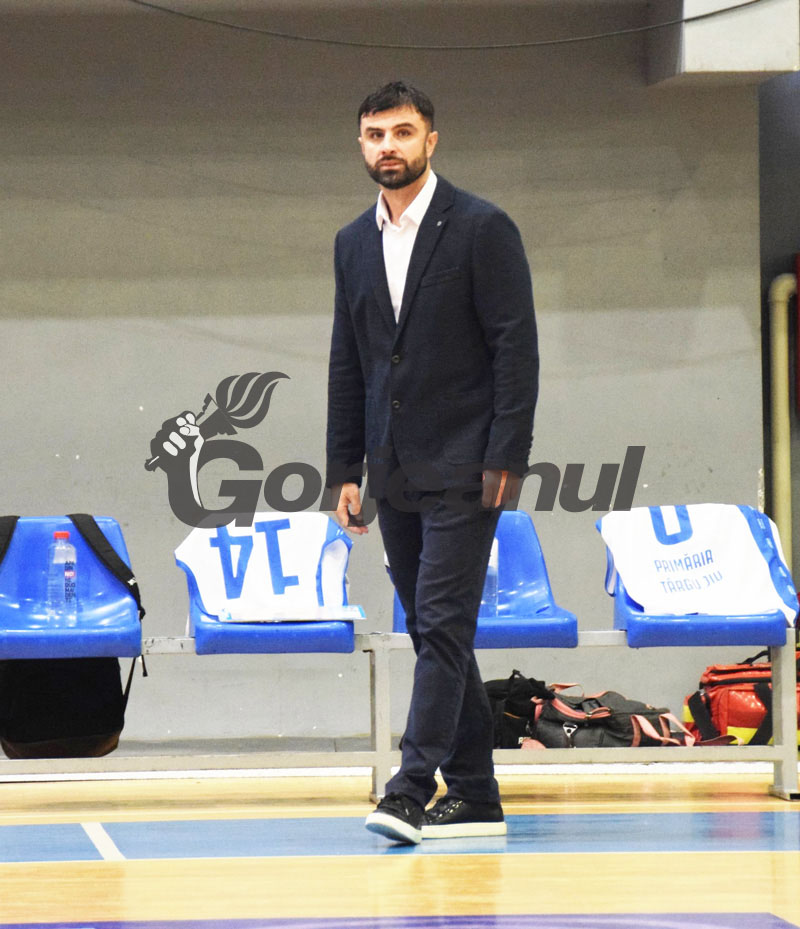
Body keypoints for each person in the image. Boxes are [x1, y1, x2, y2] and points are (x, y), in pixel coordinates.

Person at [326, 81, 538, 844]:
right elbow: (350, 359)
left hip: (468, 465)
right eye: (375, 133)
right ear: (361, 144)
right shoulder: (353, 242)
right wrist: (344, 469)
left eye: (403, 131)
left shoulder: (482, 227)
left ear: (431, 141)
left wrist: (507, 456)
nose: (389, 145)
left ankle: (411, 788)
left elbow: (516, 349)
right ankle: (476, 794)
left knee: (444, 625)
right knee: (430, 630)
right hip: (393, 469)